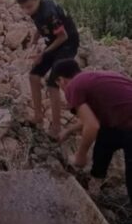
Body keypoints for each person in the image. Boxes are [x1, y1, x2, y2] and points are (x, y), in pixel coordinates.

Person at [52, 59, 132, 203]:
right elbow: (91, 119)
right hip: (121, 124)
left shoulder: (73, 86)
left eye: (59, 86)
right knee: (105, 140)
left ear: (61, 80)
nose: (63, 91)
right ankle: (94, 188)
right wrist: (69, 130)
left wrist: (80, 155)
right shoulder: (94, 78)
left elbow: (92, 126)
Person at [15, 0, 80, 139]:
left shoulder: (49, 12)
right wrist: (34, 40)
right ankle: (38, 116)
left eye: (29, 6)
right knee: (33, 76)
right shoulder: (35, 11)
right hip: (53, 42)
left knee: (53, 83)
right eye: (23, 8)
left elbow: (63, 36)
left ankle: (56, 127)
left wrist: (43, 53)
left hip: (67, 44)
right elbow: (40, 26)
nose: (26, 11)